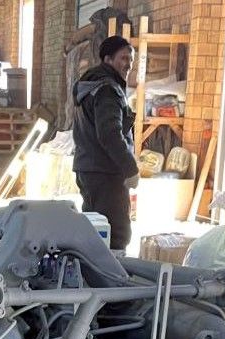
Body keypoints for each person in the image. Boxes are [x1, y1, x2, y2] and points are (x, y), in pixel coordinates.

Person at [73, 35, 139, 252]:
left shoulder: (91, 85)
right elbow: (110, 134)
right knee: (115, 233)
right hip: (105, 174)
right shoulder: (108, 90)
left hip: (90, 169)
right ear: (108, 59)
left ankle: (92, 269)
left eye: (131, 59)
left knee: (95, 228)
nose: (129, 64)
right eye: (124, 58)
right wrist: (130, 168)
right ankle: (112, 272)